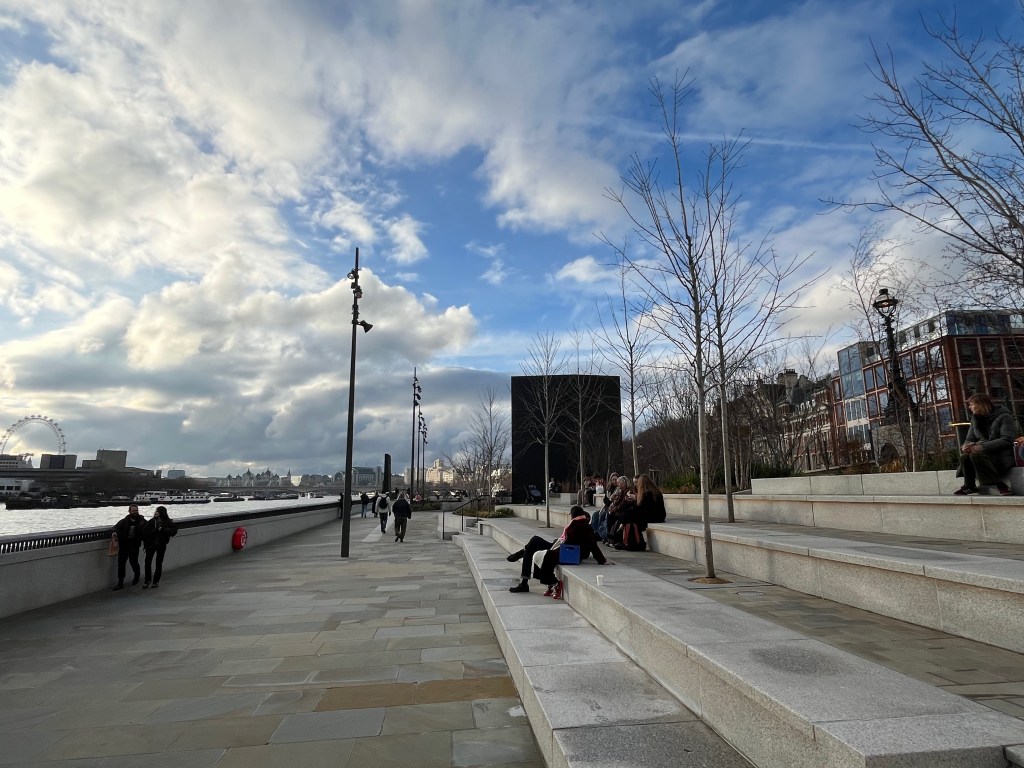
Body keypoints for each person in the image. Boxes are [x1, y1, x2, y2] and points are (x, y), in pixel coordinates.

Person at [507, 506, 608, 595]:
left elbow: (593, 546)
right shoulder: (578, 524)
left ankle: (523, 572)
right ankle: (523, 565)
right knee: (534, 541)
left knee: (532, 547)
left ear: (573, 515)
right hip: (561, 547)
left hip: (566, 551)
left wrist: (602, 560)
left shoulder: (584, 527)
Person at [955, 393, 1019, 496]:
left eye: (971, 404)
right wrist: (965, 446)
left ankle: (1000, 484)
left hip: (1000, 455)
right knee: (965, 457)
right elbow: (969, 438)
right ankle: (970, 486)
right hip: (983, 454)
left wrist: (982, 447)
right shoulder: (975, 419)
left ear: (982, 404)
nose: (969, 407)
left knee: (976, 454)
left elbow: (1007, 440)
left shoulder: (1004, 416)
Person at [141, 505, 178, 588]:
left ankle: (155, 581)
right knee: (148, 562)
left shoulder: (167, 522)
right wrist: (155, 530)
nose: (155, 512)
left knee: (158, 562)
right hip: (151, 545)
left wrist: (163, 529)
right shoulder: (151, 521)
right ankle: (148, 580)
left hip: (161, 544)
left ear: (161, 513)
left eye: (157, 511)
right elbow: (145, 532)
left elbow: (174, 531)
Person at [112, 504, 146, 590]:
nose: (135, 512)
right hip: (124, 544)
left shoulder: (141, 521)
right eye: (133, 511)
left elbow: (149, 527)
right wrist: (114, 532)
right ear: (129, 511)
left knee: (133, 562)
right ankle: (120, 582)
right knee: (121, 563)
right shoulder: (124, 521)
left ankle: (137, 575)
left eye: (136, 510)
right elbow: (115, 528)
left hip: (134, 545)